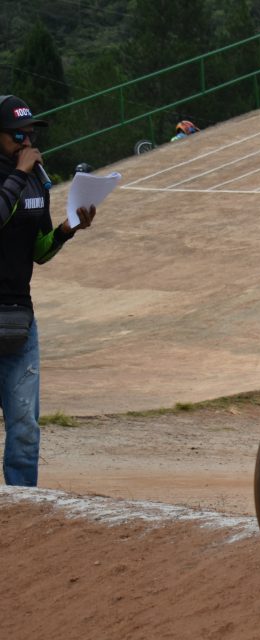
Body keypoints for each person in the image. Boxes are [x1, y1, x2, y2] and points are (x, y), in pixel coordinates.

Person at [0, 95, 98, 486]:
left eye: (30, 135)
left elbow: (39, 252)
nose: (26, 143)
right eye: (16, 135)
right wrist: (20, 174)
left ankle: (22, 509)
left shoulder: (37, 184)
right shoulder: (23, 177)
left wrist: (66, 231)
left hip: (19, 318)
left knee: (24, 426)